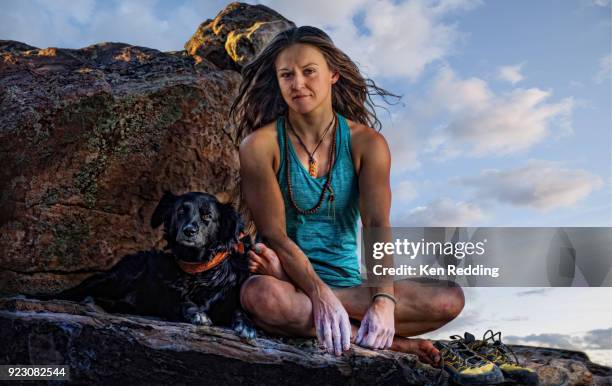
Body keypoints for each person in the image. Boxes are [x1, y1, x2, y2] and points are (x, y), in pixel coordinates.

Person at [229, 26, 464, 364]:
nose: (298, 83)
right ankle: (392, 343)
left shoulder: (366, 143)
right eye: (287, 75)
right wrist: (315, 291)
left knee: (448, 298)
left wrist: (383, 300)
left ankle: (349, 316)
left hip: (351, 287)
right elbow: (275, 235)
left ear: (333, 74)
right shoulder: (259, 146)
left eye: (309, 71)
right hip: (289, 283)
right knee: (259, 295)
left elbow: (376, 223)